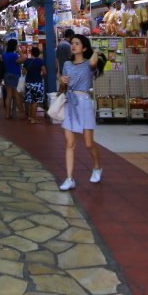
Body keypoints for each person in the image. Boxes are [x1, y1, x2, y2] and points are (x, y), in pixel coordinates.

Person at [58, 35, 103, 189]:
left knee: (89, 143)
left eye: (77, 43)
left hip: (84, 103)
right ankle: (70, 178)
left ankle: (97, 167)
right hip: (71, 103)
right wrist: (61, 82)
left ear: (84, 48)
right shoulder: (66, 64)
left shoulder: (89, 64)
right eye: (72, 43)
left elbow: (93, 62)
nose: (74, 46)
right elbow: (63, 87)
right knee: (70, 143)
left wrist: (95, 50)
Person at [23, 45, 46, 123]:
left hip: (28, 82)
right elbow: (44, 72)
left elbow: (23, 72)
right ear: (38, 53)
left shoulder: (27, 61)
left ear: (31, 53)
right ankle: (33, 119)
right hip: (37, 83)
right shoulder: (40, 61)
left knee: (29, 101)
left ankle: (30, 117)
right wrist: (41, 75)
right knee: (35, 102)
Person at [2, 39, 23, 119]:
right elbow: (22, 59)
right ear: (15, 46)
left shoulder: (4, 55)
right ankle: (21, 113)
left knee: (9, 95)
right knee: (16, 94)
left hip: (7, 74)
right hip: (15, 75)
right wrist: (19, 51)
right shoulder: (14, 55)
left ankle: (7, 114)